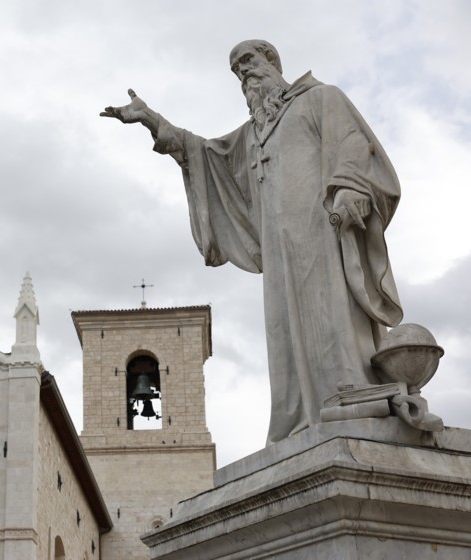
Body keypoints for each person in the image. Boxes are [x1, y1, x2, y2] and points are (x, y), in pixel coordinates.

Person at [101, 40, 403, 444]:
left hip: (321, 231)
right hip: (279, 254)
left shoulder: (320, 99)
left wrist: (349, 189)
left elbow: (352, 144)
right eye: (235, 69)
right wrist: (152, 119)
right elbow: (205, 154)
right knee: (283, 334)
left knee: (329, 313)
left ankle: (347, 391)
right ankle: (299, 416)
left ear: (272, 61)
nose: (242, 72)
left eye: (247, 61)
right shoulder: (253, 135)